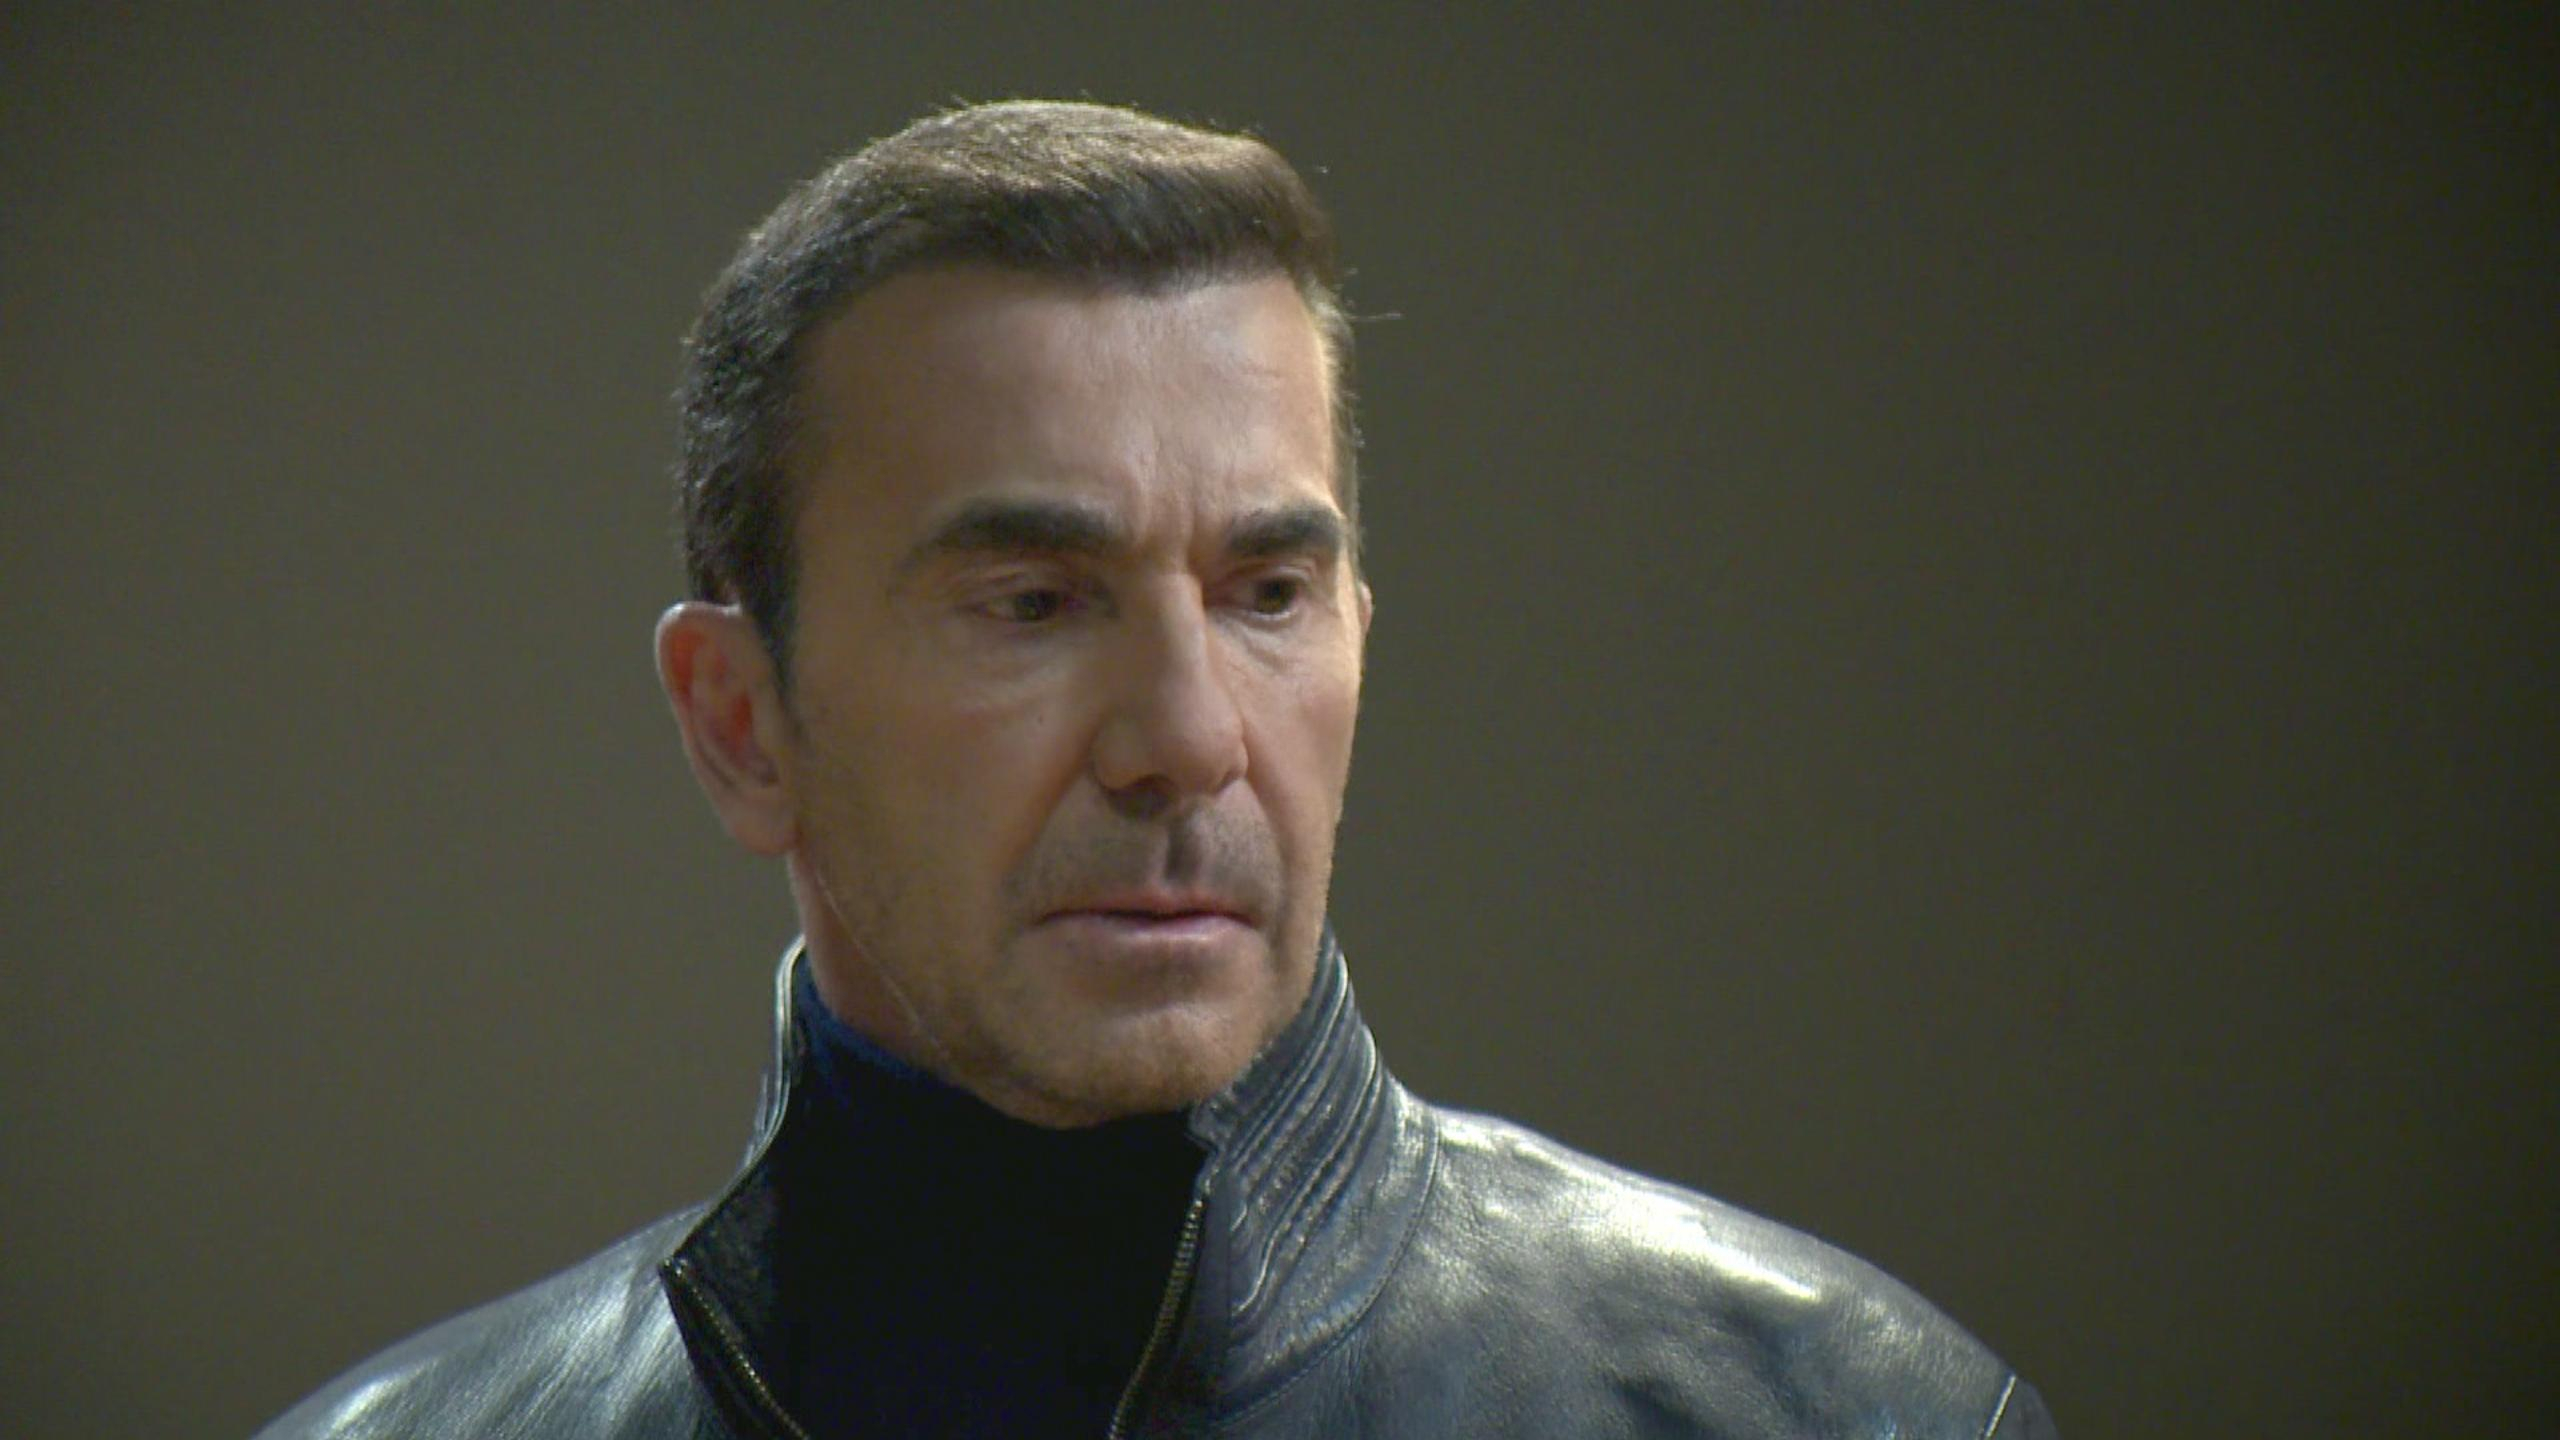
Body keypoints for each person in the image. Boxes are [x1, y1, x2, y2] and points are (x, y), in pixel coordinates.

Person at [255, 100, 2056, 1439]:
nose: (1190, 740)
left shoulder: (1854, 1419)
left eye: (1268, 595)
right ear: (741, 724)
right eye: (1034, 603)